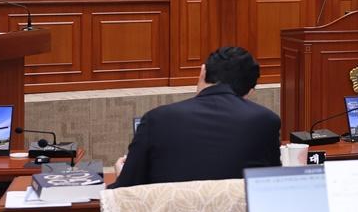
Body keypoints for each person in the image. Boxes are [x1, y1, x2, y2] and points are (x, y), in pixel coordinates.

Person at [111, 46, 279, 188]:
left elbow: (127, 189)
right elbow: (270, 186)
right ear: (249, 91)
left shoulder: (156, 119)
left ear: (202, 71)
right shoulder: (266, 121)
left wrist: (121, 175)